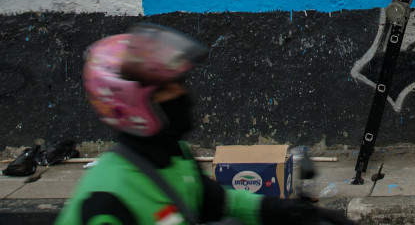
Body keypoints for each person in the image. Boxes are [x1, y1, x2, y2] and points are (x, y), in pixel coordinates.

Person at [56, 23, 351, 225]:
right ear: (132, 104)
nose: (184, 96)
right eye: (169, 88)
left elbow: (218, 202)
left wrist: (287, 212)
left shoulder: (176, 158)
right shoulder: (107, 198)